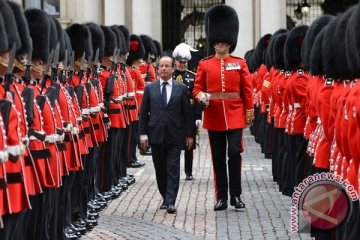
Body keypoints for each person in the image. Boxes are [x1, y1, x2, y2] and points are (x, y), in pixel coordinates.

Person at [193, 5, 254, 211]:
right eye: (217, 42)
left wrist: (249, 110)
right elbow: (197, 89)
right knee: (218, 157)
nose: (220, 45)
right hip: (214, 115)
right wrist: (201, 96)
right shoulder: (205, 64)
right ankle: (221, 197)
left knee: (235, 153)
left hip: (235, 114)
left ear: (229, 42)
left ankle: (236, 196)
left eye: (223, 42)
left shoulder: (240, 63)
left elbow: (247, 89)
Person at [139, 55, 194, 214]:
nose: (163, 68)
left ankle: (171, 201)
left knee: (173, 169)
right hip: (155, 134)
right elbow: (144, 113)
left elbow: (187, 114)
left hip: (175, 135)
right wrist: (143, 134)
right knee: (160, 169)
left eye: (167, 66)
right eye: (161, 66)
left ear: (172, 68)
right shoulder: (150, 88)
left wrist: (190, 135)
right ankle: (165, 196)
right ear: (157, 69)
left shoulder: (181, 88)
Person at [172, 43, 202, 180]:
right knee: (174, 144)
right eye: (179, 62)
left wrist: (198, 117)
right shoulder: (169, 76)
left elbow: (197, 97)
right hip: (174, 114)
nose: (182, 65)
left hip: (189, 114)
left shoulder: (193, 76)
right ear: (175, 62)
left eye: (184, 62)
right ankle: (174, 170)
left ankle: (188, 172)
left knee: (189, 144)